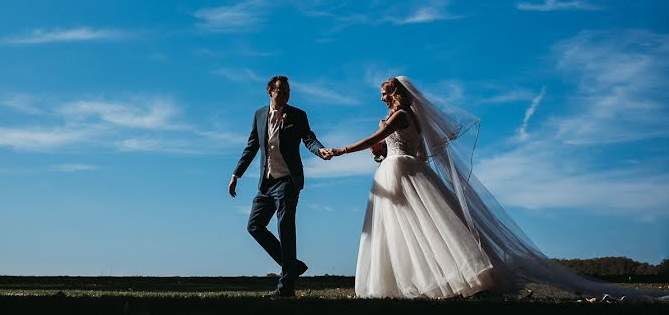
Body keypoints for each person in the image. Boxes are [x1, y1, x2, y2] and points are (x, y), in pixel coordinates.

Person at [326, 76, 669, 302]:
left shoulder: (401, 116)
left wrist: (343, 150)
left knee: (418, 230)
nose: (382, 99)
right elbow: (417, 151)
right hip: (402, 168)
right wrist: (385, 154)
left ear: (394, 94)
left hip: (399, 171)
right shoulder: (410, 119)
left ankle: (454, 279)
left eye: (384, 94)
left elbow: (376, 140)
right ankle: (412, 281)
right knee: (410, 231)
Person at [229, 75, 332, 298]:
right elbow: (252, 146)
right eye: (280, 91)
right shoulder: (259, 115)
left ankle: (286, 288)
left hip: (288, 180)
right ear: (270, 91)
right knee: (254, 226)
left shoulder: (297, 115)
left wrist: (320, 150)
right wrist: (236, 174)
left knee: (285, 228)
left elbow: (309, 138)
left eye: (287, 92)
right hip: (266, 182)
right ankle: (291, 266)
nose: (284, 95)